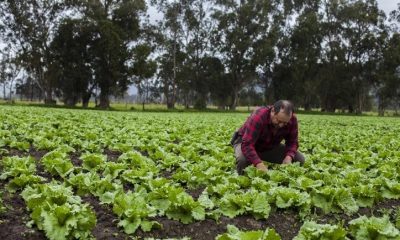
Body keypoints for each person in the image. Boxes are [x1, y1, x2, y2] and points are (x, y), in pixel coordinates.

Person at [230, 100, 305, 175]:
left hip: (269, 146)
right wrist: (259, 164)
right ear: (272, 111)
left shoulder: (292, 119)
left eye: (285, 123)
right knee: (243, 160)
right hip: (245, 143)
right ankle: (242, 178)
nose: (281, 125)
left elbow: (293, 142)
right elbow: (247, 144)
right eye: (278, 121)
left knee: (299, 159)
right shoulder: (259, 116)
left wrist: (289, 157)